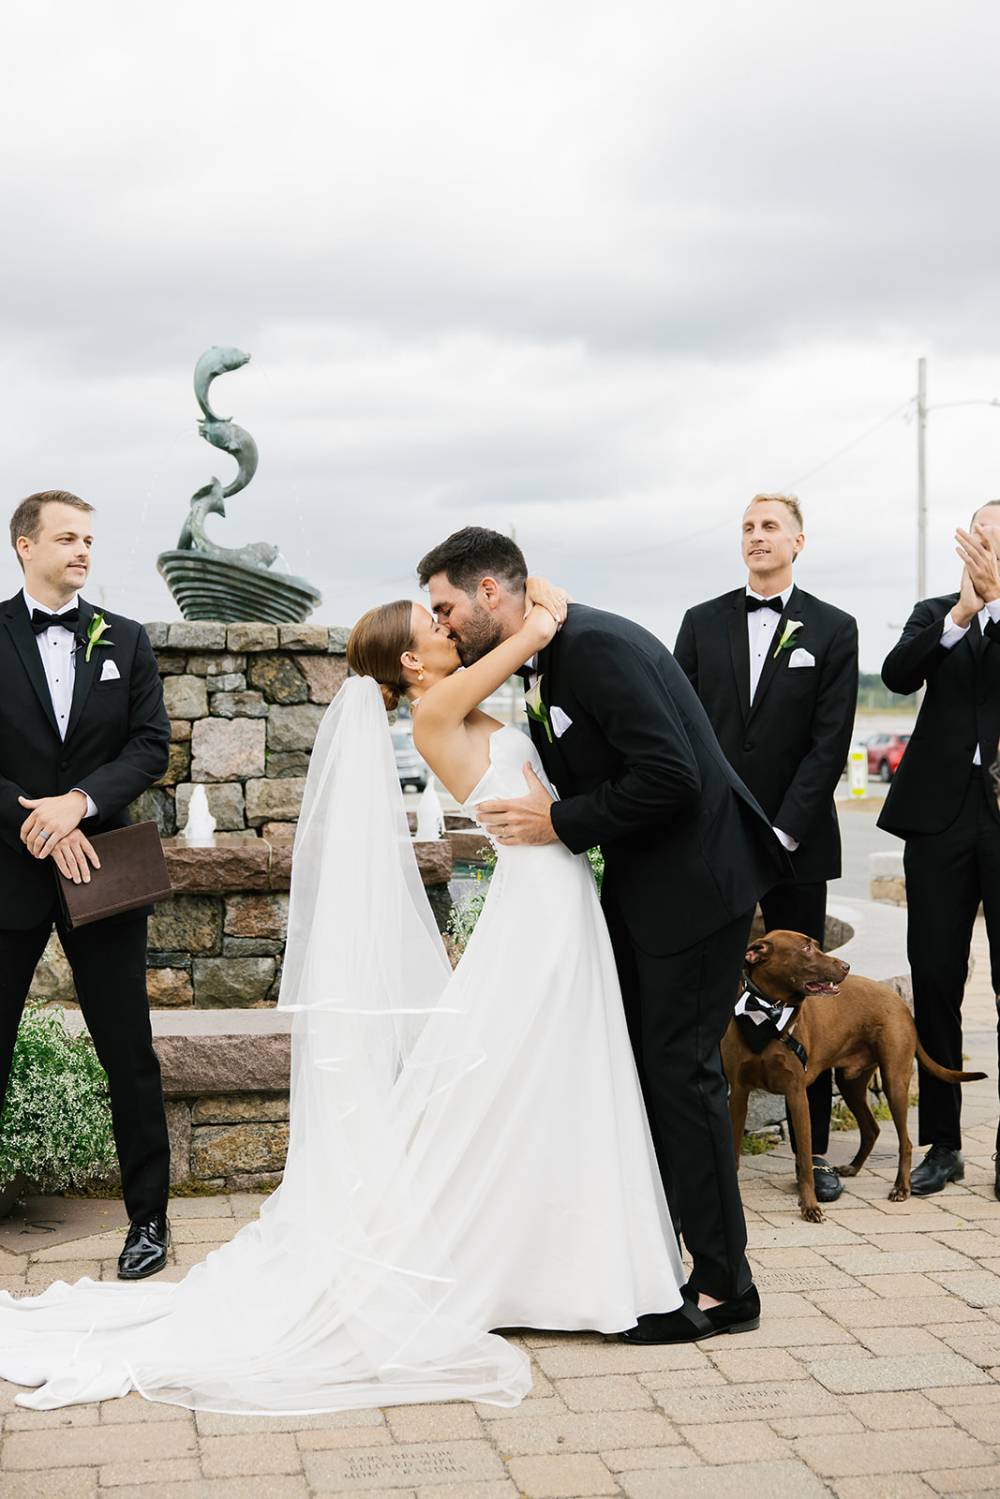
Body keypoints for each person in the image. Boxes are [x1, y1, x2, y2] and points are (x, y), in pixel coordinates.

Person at [0, 574, 687, 1414]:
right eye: (431, 623)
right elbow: (524, 646)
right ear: (410, 660)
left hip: (552, 898)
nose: (445, 626)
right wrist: (541, 615)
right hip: (539, 910)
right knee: (519, 1075)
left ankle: (556, 1257)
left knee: (546, 1077)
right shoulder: (435, 713)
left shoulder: (460, 705)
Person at [418, 527, 789, 1344]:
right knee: (652, 1072)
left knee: (681, 1074)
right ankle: (646, 1258)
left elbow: (671, 774)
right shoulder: (552, 651)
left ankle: (728, 1285)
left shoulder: (594, 649)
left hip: (693, 889)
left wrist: (560, 821)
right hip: (647, 890)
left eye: (445, 607)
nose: (440, 625)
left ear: (489, 591)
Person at [0, 490, 171, 1279]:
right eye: (67, 537)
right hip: (8, 865)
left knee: (127, 1049)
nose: (83, 550)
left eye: (90, 539)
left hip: (101, 865)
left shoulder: (126, 640)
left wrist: (78, 805)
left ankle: (149, 1222)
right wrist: (35, 822)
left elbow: (149, 747)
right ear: (23, 545)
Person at [674, 492, 859, 1205]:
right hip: (713, 837)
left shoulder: (834, 629)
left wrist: (783, 827)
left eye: (769, 525)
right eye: (747, 526)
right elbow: (681, 726)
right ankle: (704, 1141)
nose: (756, 536)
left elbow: (829, 742)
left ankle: (807, 1153)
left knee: (801, 988)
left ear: (798, 541)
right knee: (712, 977)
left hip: (797, 840)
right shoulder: (700, 623)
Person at [879, 503, 1000, 1198]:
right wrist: (960, 612)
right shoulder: (934, 611)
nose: (981, 549)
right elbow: (898, 675)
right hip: (937, 824)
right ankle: (943, 1142)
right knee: (936, 982)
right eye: (974, 537)